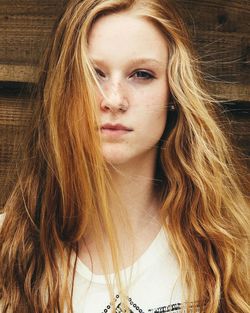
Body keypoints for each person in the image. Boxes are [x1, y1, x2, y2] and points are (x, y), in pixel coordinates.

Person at [0, 0, 249, 312]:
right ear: (63, 89)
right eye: (93, 73)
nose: (114, 100)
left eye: (142, 74)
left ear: (173, 93)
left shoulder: (231, 251)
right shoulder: (7, 249)